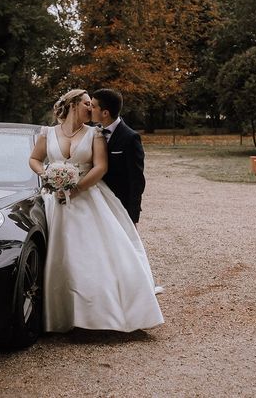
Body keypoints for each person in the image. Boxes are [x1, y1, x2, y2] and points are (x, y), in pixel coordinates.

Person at [29, 89, 163, 333]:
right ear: (72, 105)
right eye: (87, 104)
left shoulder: (95, 134)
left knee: (89, 255)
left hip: (87, 197)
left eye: (92, 105)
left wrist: (76, 188)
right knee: (57, 255)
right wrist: (47, 175)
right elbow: (35, 159)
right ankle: (58, 313)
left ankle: (95, 316)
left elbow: (100, 167)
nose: (90, 109)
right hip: (54, 202)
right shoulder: (47, 133)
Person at [90, 89, 145, 224]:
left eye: (93, 106)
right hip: (96, 203)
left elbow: (136, 180)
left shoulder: (130, 138)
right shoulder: (93, 133)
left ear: (105, 113)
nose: (89, 109)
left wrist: (132, 217)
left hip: (119, 206)